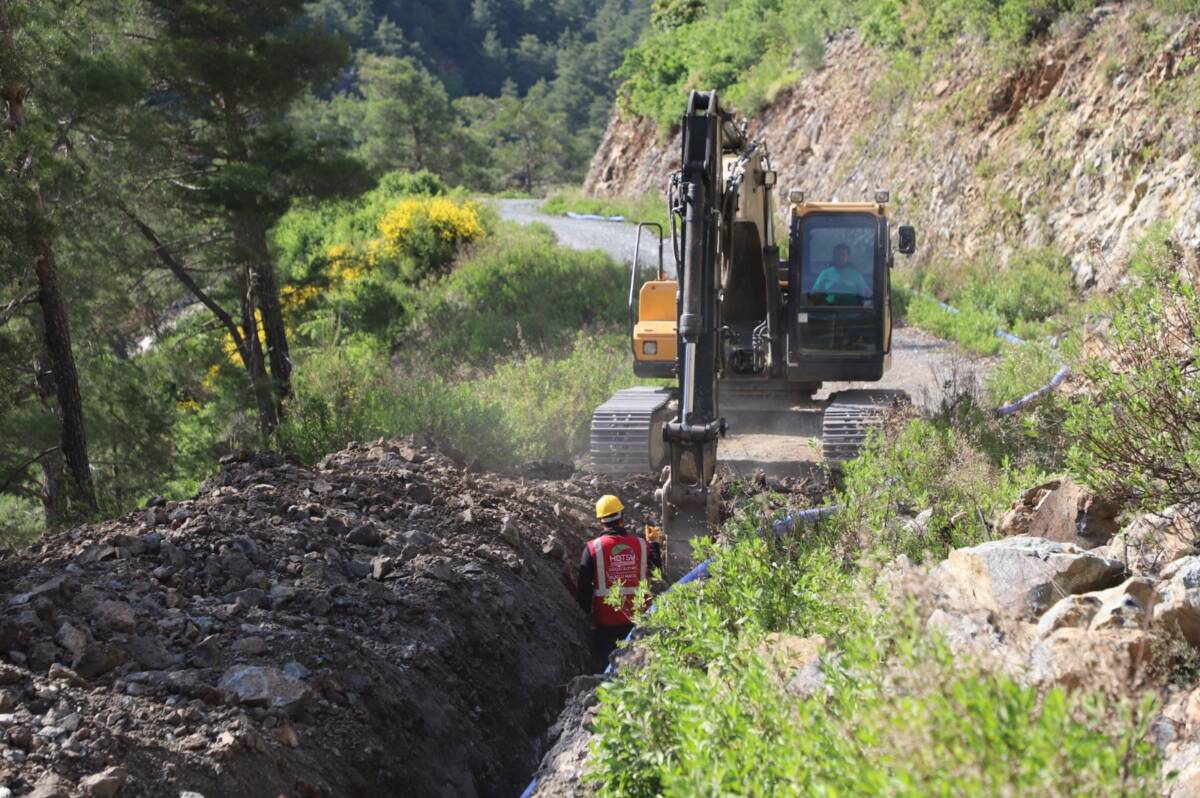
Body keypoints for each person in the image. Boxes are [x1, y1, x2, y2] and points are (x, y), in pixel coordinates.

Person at [576, 494, 663, 671]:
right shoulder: (641, 544)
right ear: (622, 518)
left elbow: (583, 588)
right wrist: (654, 543)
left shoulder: (593, 548)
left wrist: (586, 614)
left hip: (605, 624)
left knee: (609, 672)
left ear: (601, 521)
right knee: (640, 670)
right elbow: (657, 572)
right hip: (639, 621)